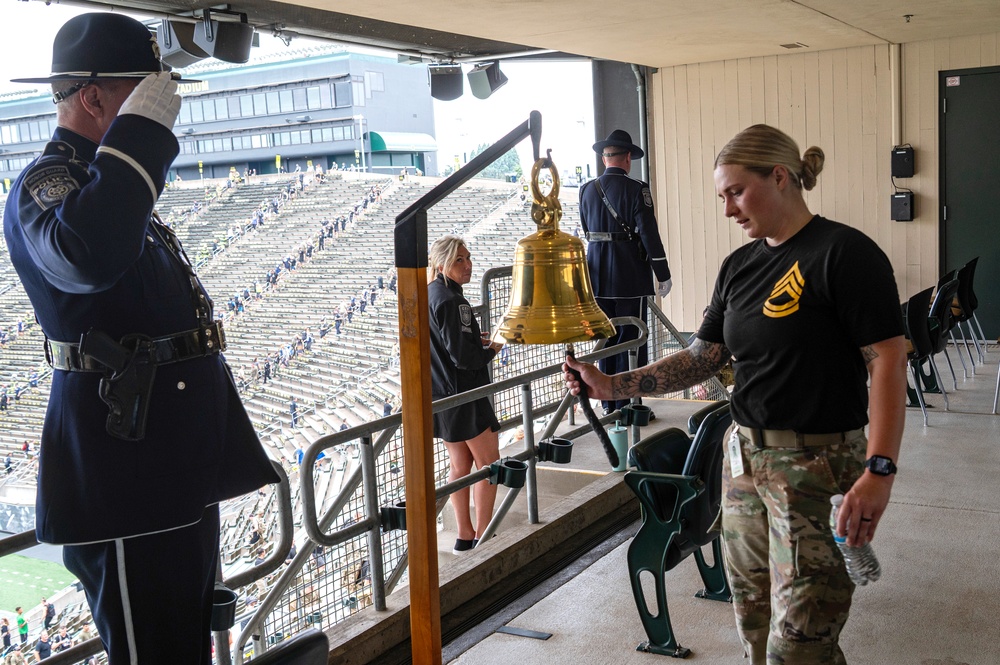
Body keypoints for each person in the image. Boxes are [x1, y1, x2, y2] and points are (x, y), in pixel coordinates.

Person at [564, 124, 907, 664]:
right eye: (722, 196)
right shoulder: (739, 267)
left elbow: (888, 358)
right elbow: (704, 358)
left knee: (801, 643)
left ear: (780, 177)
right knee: (755, 622)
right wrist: (611, 384)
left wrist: (880, 469)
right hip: (744, 463)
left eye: (736, 192)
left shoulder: (844, 253)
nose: (728, 210)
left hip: (816, 466)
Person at [3, 14, 279, 665]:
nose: (162, 111)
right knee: (154, 651)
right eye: (142, 92)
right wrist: (141, 137)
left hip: (169, 462)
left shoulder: (108, 190)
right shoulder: (48, 186)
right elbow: (90, 254)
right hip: (126, 475)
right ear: (94, 98)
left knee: (187, 640)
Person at [579, 129, 672, 414]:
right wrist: (662, 271)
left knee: (606, 338)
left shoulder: (587, 189)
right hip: (629, 275)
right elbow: (648, 233)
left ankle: (609, 403)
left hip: (596, 276)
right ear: (628, 157)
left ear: (606, 157)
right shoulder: (636, 189)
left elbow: (586, 229)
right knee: (632, 338)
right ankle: (629, 402)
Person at [427, 235, 503, 554]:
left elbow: (445, 345)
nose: (468, 265)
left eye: (469, 258)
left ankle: (464, 535)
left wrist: (475, 339)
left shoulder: (430, 294)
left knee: (459, 465)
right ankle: (484, 533)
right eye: (459, 260)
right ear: (442, 263)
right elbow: (463, 358)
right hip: (465, 394)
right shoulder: (453, 301)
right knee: (489, 463)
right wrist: (491, 349)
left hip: (441, 396)